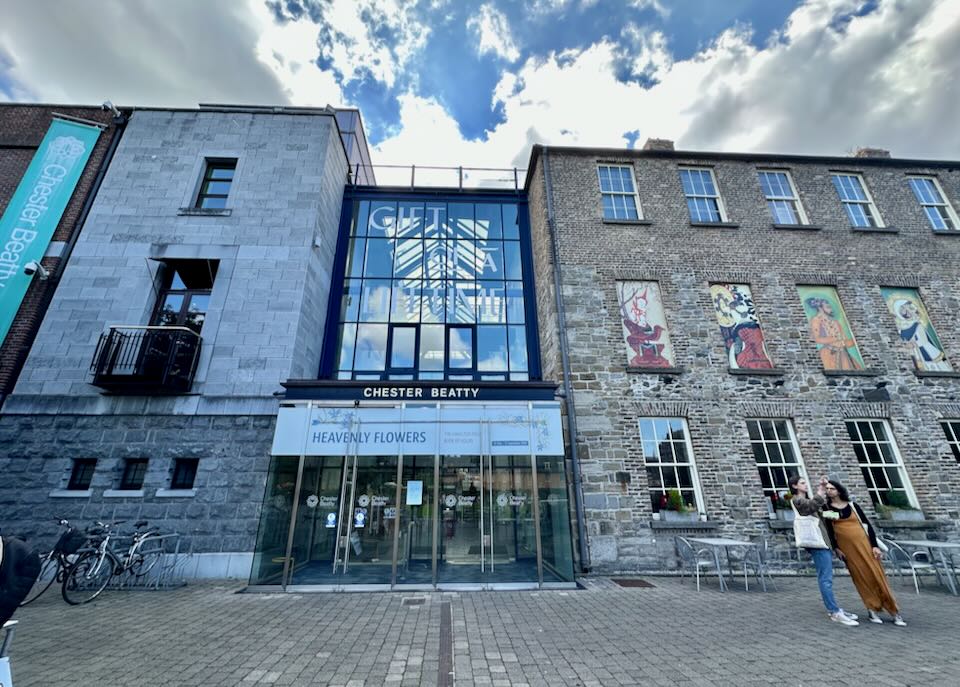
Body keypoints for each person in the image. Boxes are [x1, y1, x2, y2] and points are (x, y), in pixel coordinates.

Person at [822, 479, 906, 626]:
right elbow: (830, 529)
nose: (829, 491)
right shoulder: (827, 508)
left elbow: (867, 525)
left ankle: (894, 611)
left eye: (832, 488)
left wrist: (874, 545)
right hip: (848, 549)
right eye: (827, 489)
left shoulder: (853, 506)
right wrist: (836, 547)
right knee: (861, 578)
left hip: (865, 545)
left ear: (839, 490)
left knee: (877, 576)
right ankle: (872, 609)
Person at [788, 475, 859, 626]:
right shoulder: (797, 500)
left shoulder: (808, 500)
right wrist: (820, 490)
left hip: (823, 541)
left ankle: (835, 608)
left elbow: (822, 515)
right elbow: (809, 508)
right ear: (794, 486)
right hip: (817, 543)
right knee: (825, 578)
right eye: (802, 483)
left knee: (826, 577)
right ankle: (834, 612)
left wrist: (842, 514)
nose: (805, 484)